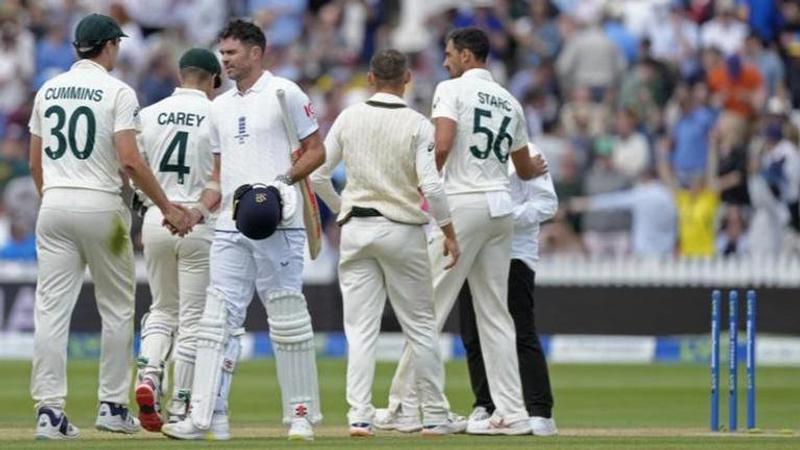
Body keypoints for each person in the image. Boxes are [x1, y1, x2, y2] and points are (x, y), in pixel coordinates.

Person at [375, 27, 548, 436]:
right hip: (500, 207)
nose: (446, 60)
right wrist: (534, 170)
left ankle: (404, 406)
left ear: (468, 56)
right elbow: (523, 168)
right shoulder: (510, 99)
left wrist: (421, 179)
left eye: (450, 53)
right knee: (496, 314)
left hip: (464, 202)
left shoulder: (450, 89)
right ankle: (511, 411)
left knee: (426, 308)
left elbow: (443, 142)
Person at [28, 13, 191, 440]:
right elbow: (130, 161)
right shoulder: (118, 91)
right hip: (101, 206)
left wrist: (56, 199)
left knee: (50, 313)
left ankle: (49, 411)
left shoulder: (48, 88)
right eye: (116, 44)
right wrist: (166, 206)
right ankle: (113, 406)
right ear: (107, 47)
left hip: (54, 202)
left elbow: (34, 161)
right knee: (117, 309)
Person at [161, 19, 326, 441]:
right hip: (230, 226)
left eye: (232, 53)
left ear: (256, 52)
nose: (225, 61)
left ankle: (301, 415)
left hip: (281, 219)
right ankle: (205, 417)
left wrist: (281, 184)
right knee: (217, 320)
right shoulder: (218, 107)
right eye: (223, 54)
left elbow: (317, 151)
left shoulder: (284, 92)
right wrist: (197, 210)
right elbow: (218, 179)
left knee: (286, 317)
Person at [311, 49, 464, 437]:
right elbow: (431, 185)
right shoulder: (418, 123)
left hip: (357, 229)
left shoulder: (349, 117)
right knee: (420, 326)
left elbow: (317, 177)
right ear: (407, 78)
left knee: (360, 330)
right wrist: (447, 230)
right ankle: (432, 415)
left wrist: (343, 209)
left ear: (371, 78)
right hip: (402, 229)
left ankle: (360, 416)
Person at [133, 48, 223, 432]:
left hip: (158, 217)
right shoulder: (218, 114)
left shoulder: (149, 114)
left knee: (162, 309)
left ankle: (150, 374)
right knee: (192, 320)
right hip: (198, 221)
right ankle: (181, 404)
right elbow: (223, 179)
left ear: (181, 73)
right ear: (213, 80)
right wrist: (190, 214)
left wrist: (161, 209)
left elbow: (133, 171)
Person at [458, 143, 559, 436]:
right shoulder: (469, 151)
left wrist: (501, 218)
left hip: (515, 253)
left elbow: (547, 204)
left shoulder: (528, 152)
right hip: (473, 250)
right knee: (472, 332)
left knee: (520, 330)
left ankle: (540, 410)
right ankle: (486, 405)